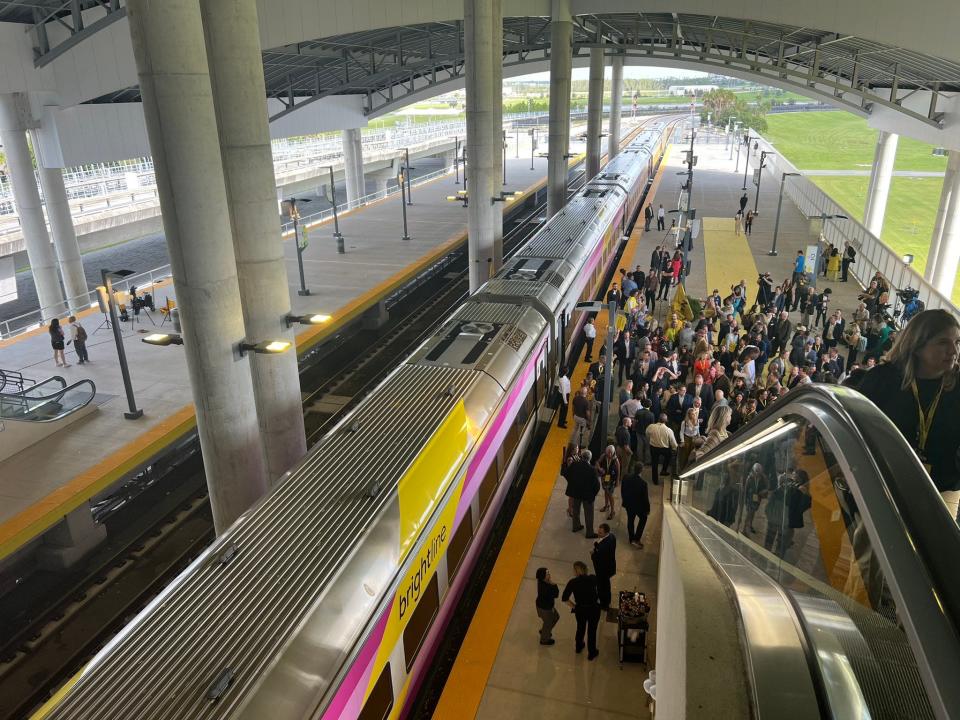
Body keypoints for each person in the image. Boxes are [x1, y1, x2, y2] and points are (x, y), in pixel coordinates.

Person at [855, 310, 960, 514]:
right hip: (885, 482)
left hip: (941, 488)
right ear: (918, 345)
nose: (954, 351)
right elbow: (857, 427)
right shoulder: (883, 379)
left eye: (957, 342)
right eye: (943, 343)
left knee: (936, 544)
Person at [562, 561, 601, 660]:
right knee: (592, 630)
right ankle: (592, 652)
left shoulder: (573, 582)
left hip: (580, 609)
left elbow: (564, 598)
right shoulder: (593, 578)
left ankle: (579, 647)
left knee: (580, 628)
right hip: (593, 609)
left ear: (576, 570)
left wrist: (574, 606)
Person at [567, 448, 600, 537]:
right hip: (587, 496)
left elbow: (568, 475)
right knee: (589, 514)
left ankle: (576, 526)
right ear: (590, 458)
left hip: (576, 493)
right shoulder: (592, 470)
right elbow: (597, 486)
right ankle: (589, 533)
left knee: (576, 510)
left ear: (582, 457)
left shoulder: (574, 465)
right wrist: (593, 494)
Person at [620, 469, 650, 548]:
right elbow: (645, 498)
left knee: (630, 520)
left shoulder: (626, 477)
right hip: (638, 507)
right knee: (643, 518)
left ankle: (631, 539)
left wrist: (624, 500)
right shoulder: (643, 483)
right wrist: (647, 509)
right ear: (641, 471)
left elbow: (622, 490)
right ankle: (637, 539)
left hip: (628, 505)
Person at [591, 523, 617, 609]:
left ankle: (604, 604)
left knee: (602, 587)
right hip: (609, 567)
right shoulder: (612, 537)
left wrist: (593, 554)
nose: (598, 534)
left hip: (602, 570)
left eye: (600, 533)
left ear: (606, 533)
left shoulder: (603, 547)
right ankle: (607, 601)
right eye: (598, 531)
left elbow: (597, 558)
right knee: (606, 585)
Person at [646, 413, 678, 485]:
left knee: (654, 463)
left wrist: (650, 440)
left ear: (658, 419)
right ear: (666, 421)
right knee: (668, 456)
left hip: (653, 447)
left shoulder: (651, 427)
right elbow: (673, 441)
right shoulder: (668, 430)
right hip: (664, 449)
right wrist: (675, 448)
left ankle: (655, 480)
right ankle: (663, 470)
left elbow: (647, 434)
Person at [535, 567, 560, 645]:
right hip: (546, 609)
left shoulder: (541, 582)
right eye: (547, 574)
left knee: (555, 617)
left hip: (543, 606)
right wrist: (554, 585)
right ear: (543, 576)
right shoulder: (546, 587)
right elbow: (556, 594)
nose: (549, 575)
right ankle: (544, 639)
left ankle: (544, 631)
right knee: (549, 622)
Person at [741, 463, 767, 534]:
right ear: (753, 470)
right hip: (750, 499)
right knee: (749, 513)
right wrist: (745, 500)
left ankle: (749, 525)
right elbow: (746, 490)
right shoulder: (750, 478)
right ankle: (744, 529)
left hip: (757, 499)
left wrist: (763, 491)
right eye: (756, 471)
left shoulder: (762, 478)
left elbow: (765, 487)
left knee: (752, 513)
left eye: (759, 471)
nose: (757, 473)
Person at [597, 445, 621, 520]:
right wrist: (599, 468)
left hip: (612, 480)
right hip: (604, 478)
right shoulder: (603, 456)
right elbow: (597, 462)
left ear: (613, 453)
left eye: (611, 453)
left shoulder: (616, 460)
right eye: (608, 453)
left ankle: (612, 511)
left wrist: (617, 480)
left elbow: (618, 471)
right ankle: (606, 505)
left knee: (610, 495)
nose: (609, 455)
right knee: (605, 492)